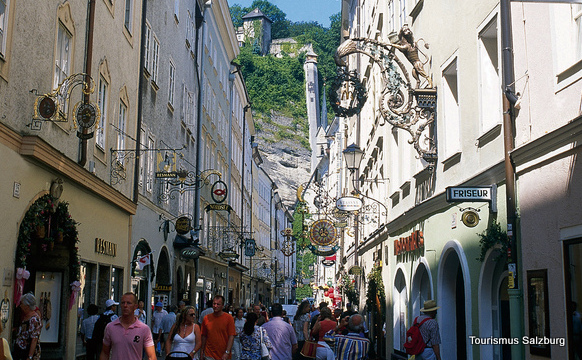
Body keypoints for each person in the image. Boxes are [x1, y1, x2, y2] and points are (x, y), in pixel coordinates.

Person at [99, 292, 156, 360]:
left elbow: (151, 356)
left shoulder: (144, 329)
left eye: (129, 303)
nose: (125, 305)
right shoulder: (110, 327)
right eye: (123, 303)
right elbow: (105, 353)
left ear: (135, 306)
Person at [200, 295, 236, 360]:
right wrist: (202, 351)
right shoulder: (206, 318)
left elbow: (231, 336)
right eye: (214, 304)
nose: (215, 306)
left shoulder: (229, 318)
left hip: (223, 355)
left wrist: (227, 352)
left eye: (218, 304)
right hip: (209, 354)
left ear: (222, 306)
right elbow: (204, 336)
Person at [13, 293, 41, 360]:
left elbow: (34, 339)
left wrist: (30, 356)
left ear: (27, 306)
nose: (20, 306)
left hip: (27, 353)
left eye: (22, 304)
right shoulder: (26, 316)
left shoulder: (34, 319)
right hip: (20, 352)